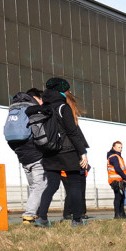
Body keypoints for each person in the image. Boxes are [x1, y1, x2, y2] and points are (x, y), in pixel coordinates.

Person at [28, 77, 89, 227]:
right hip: (67, 151)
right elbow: (72, 132)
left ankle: (41, 218)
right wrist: (83, 153)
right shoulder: (63, 107)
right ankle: (77, 220)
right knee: (75, 184)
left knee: (52, 185)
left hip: (49, 151)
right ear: (63, 91)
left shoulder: (44, 107)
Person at [8, 89, 48, 225]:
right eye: (41, 99)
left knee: (33, 187)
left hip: (23, 156)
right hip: (36, 155)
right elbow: (41, 137)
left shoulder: (13, 112)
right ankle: (29, 215)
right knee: (40, 186)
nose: (42, 102)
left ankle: (33, 214)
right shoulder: (32, 112)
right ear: (35, 98)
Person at [107, 141, 126, 219]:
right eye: (119, 147)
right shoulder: (114, 157)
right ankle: (117, 215)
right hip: (116, 180)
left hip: (119, 179)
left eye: (121, 147)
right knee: (118, 197)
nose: (120, 149)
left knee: (121, 196)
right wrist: (124, 177)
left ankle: (122, 214)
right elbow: (117, 169)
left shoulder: (117, 156)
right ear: (114, 147)